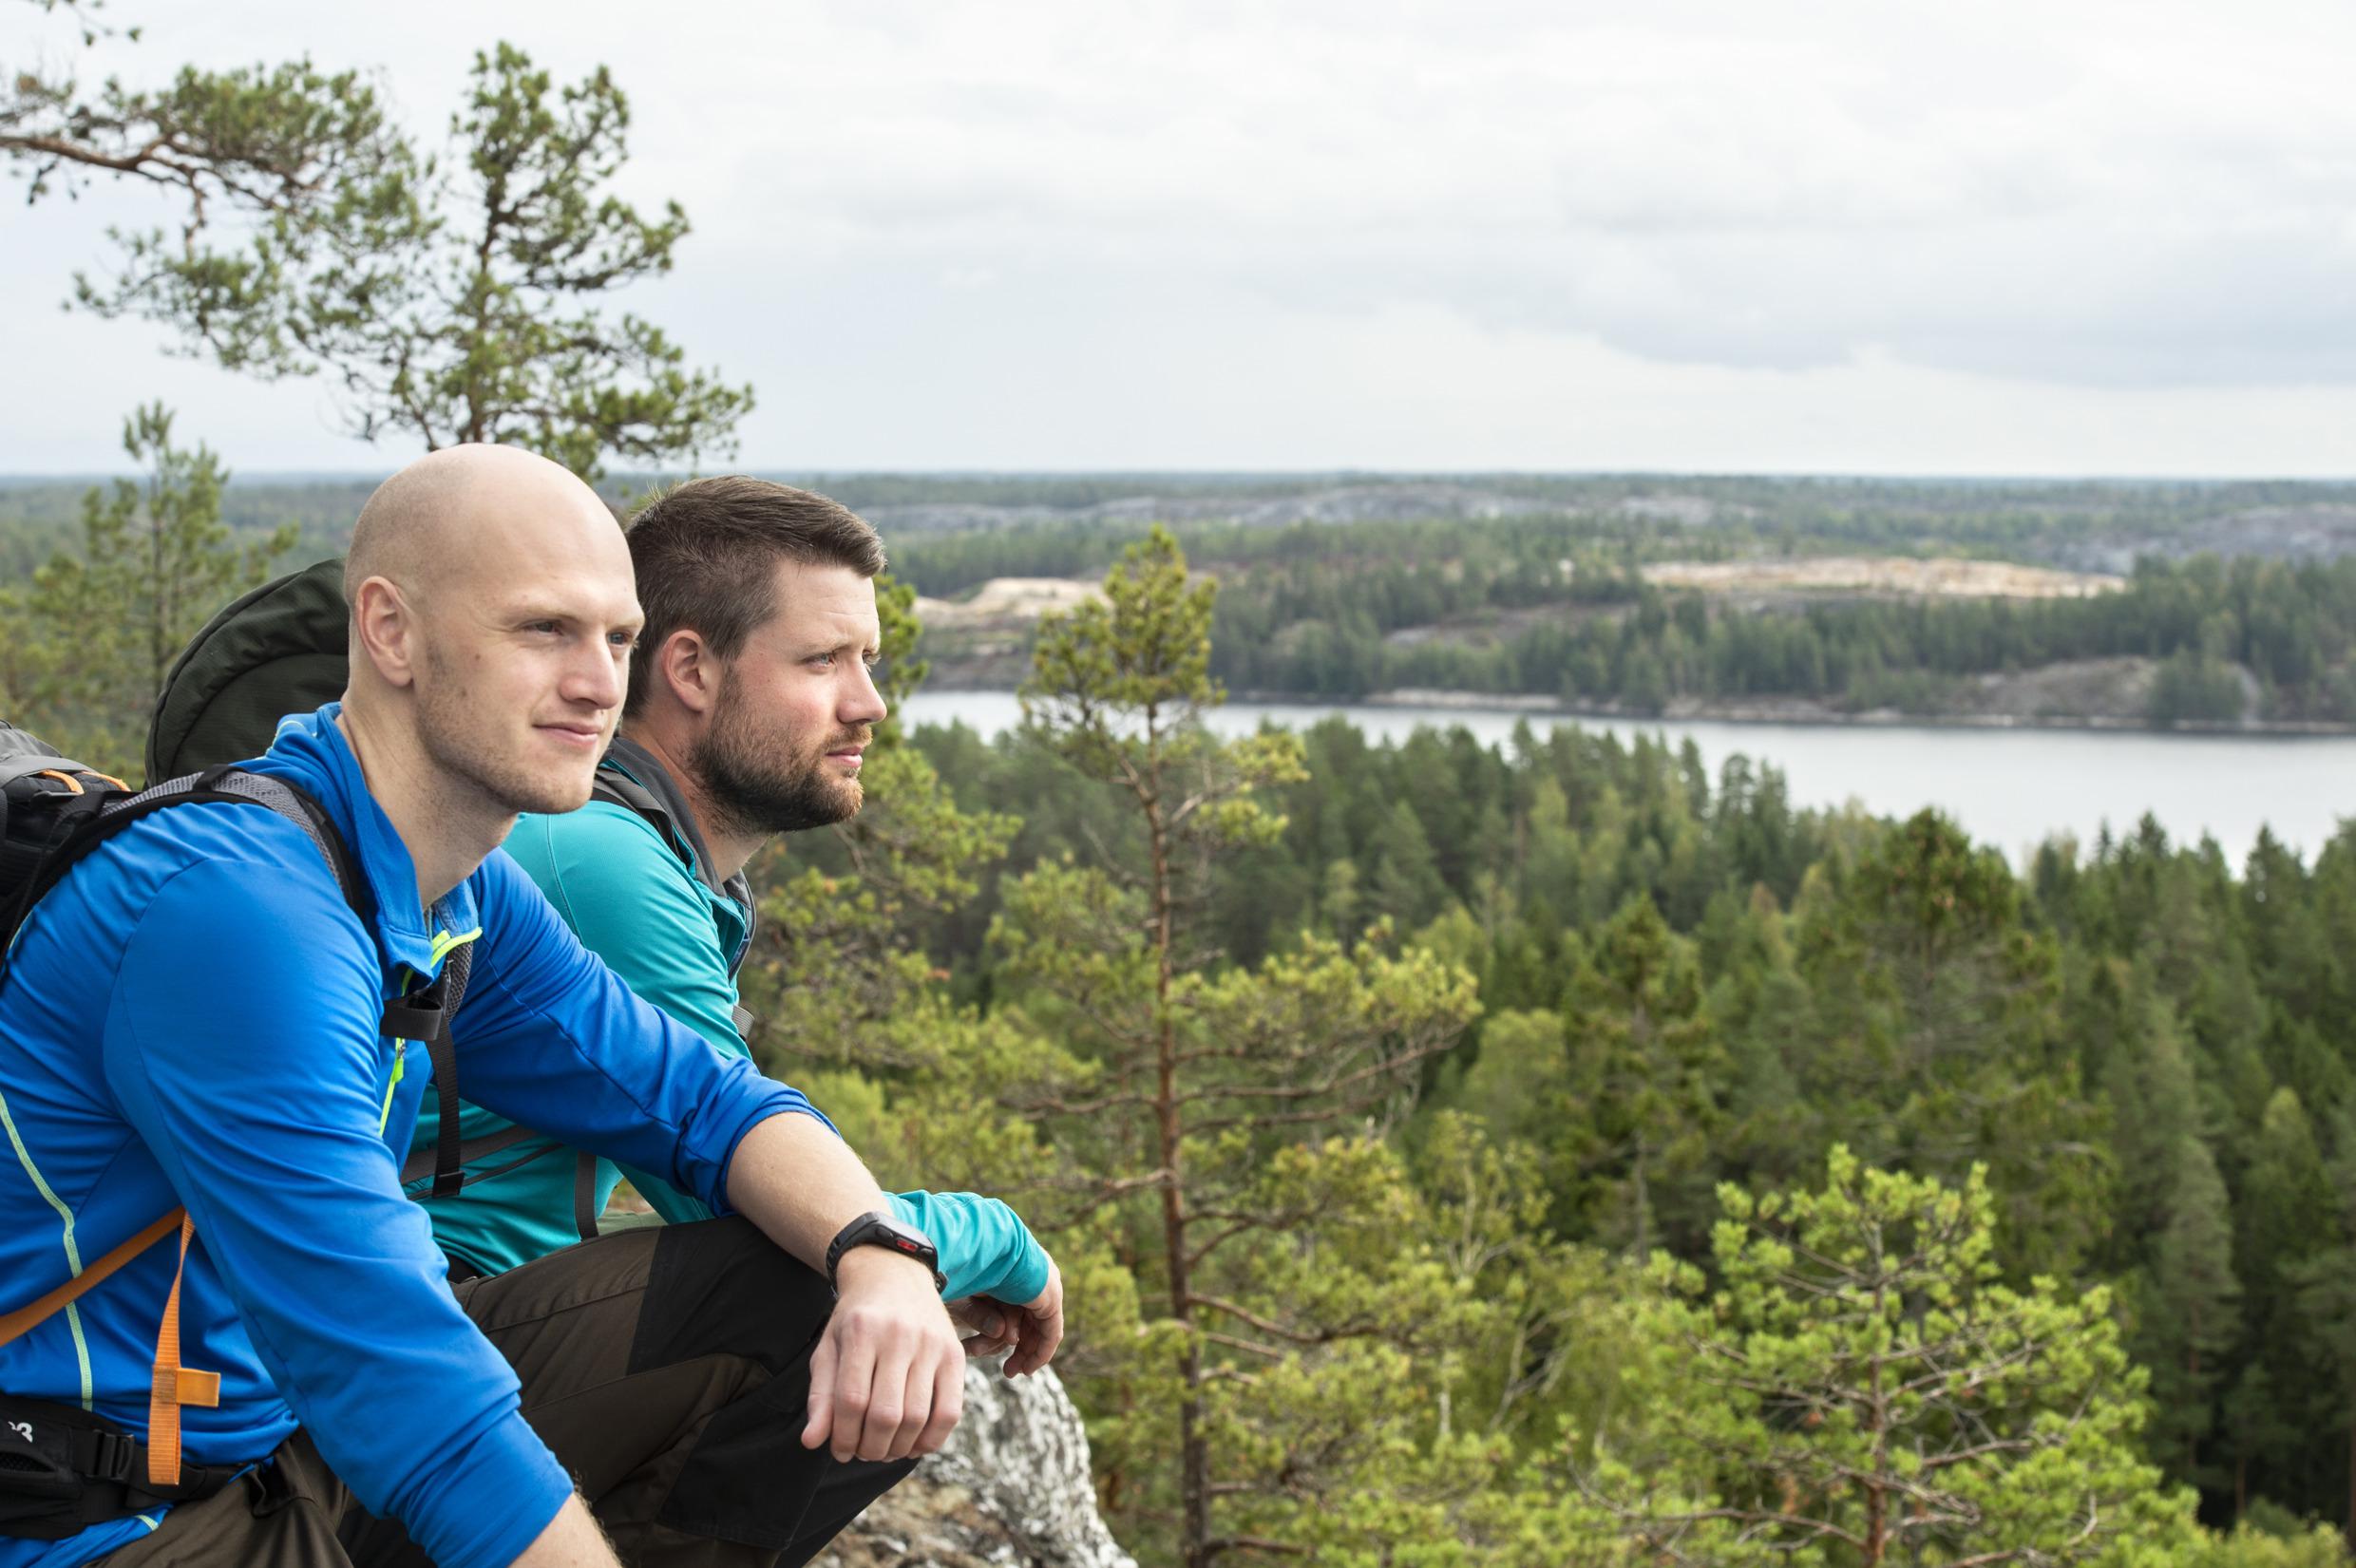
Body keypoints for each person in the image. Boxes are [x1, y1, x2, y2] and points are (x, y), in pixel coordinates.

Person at [0, 446, 977, 1568]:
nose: (600, 682)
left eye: (616, 637)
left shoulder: (450, 884)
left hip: (279, 1451)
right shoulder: (235, 915)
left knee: (796, 1291)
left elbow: (698, 1102)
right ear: (392, 631)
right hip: (99, 1522)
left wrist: (881, 1251)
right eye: (542, 630)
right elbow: (392, 1368)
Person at [409, 477, 1061, 1371]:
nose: (869, 702)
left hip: (466, 1304)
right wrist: (994, 1237)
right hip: (414, 1320)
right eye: (824, 660)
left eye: (869, 658)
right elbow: (747, 1207)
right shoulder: (598, 860)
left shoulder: (642, 847)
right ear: (691, 672)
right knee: (798, 1303)